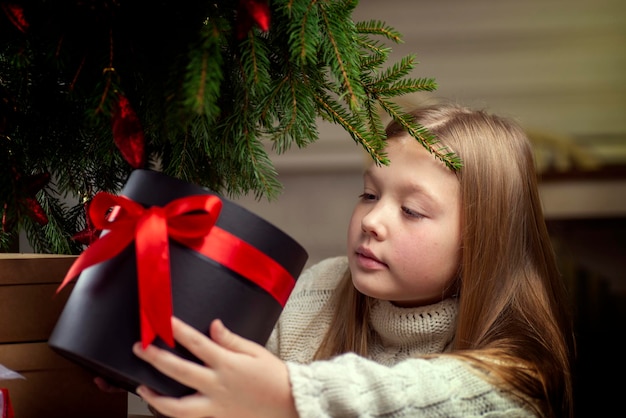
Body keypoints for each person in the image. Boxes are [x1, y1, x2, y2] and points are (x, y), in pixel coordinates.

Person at [126, 102, 576, 417]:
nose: (372, 220)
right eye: (369, 194)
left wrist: (289, 396)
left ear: (484, 238)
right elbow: (226, 395)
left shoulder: (517, 377)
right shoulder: (320, 290)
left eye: (412, 210)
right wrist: (156, 371)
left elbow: (420, 398)